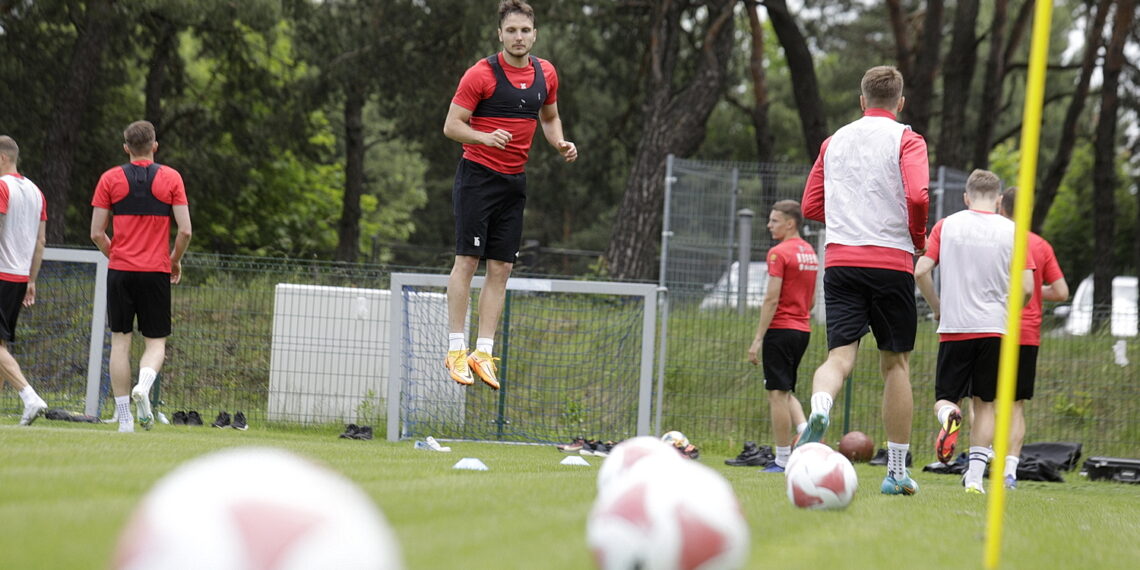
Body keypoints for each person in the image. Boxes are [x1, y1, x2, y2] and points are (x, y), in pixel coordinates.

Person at [798, 65, 929, 496]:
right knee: (895, 364)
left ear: (861, 101)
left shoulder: (834, 141)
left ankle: (820, 407)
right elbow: (916, 195)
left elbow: (811, 205)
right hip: (890, 260)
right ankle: (895, 472)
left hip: (840, 259)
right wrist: (918, 237)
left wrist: (846, 220)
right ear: (900, 102)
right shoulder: (907, 139)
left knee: (839, 357)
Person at [442, 0, 577, 390]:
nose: (518, 37)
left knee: (501, 268)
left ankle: (482, 351)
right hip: (477, 178)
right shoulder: (480, 74)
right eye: (511, 31)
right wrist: (484, 136)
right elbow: (452, 126)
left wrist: (559, 142)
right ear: (500, 34)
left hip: (513, 181)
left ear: (534, 34)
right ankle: (455, 349)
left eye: (525, 31)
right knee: (467, 261)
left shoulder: (545, 73)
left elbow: (549, 117)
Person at [914, 169, 1034, 494]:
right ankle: (975, 480)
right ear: (998, 200)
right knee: (986, 405)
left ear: (966, 198)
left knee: (945, 397)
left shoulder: (947, 225)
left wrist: (937, 305)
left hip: (955, 327)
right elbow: (1026, 286)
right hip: (995, 328)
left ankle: (949, 415)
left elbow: (921, 270)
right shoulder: (1013, 231)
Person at [90, 121, 192, 433]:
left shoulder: (109, 178)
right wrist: (173, 261)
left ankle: (124, 420)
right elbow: (185, 230)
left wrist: (117, 255)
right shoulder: (171, 177)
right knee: (156, 342)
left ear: (126, 148)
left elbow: (96, 233)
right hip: (155, 271)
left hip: (121, 271)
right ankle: (144, 387)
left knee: (120, 343)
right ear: (155, 146)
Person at [998, 187, 1068, 489]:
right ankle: (1010, 471)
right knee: (1016, 407)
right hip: (1027, 335)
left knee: (985, 402)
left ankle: (982, 458)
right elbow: (1062, 292)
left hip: (994, 329)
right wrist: (1037, 290)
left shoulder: (995, 238)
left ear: (1001, 207)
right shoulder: (1040, 245)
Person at [746, 200, 818, 473]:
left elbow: (771, 298)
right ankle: (807, 433)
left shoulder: (779, 253)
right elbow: (811, 301)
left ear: (790, 223)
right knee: (785, 389)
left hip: (781, 328)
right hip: (802, 329)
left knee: (776, 393)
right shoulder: (810, 252)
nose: (769, 225)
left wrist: (757, 339)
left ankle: (783, 459)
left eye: (774, 220)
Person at [0, 135, 49, 426]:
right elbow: (41, 241)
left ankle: (29, 396)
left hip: (1, 271)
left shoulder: (2, 186)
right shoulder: (36, 191)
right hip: (19, 276)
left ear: (3, 159)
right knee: (2, 348)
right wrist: (32, 278)